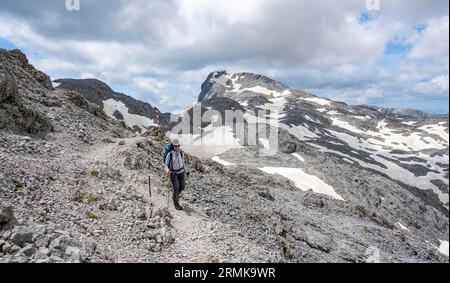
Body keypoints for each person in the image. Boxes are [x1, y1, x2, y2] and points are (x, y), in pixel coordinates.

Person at [164, 139, 189, 210]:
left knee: (182, 186)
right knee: (176, 188)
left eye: (178, 146)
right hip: (173, 173)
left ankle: (175, 196)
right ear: (173, 146)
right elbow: (165, 165)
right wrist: (168, 170)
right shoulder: (170, 154)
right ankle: (176, 203)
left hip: (181, 172)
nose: (177, 147)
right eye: (175, 146)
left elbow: (183, 163)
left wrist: (186, 171)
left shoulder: (181, 153)